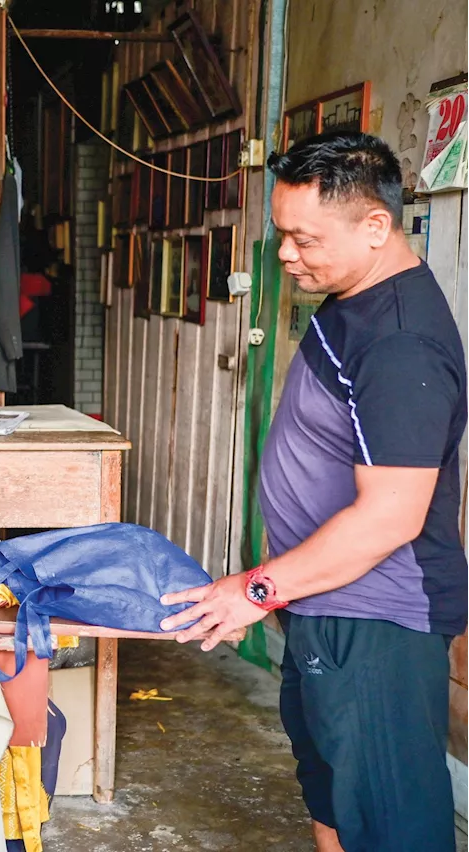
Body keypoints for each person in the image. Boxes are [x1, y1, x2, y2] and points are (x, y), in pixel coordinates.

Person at [161, 131, 469, 851]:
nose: (286, 255)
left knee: (392, 828)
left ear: (374, 227)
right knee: (331, 797)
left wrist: (258, 590)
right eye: (281, 235)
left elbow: (390, 517)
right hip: (328, 607)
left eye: (304, 238)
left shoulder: (400, 345)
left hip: (379, 624)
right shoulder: (351, 298)